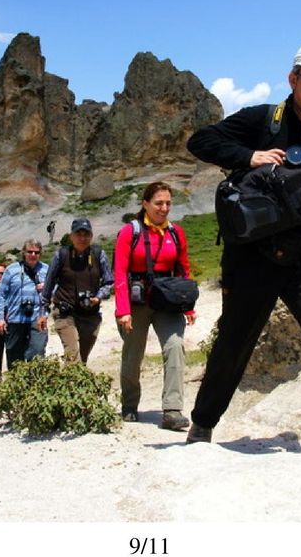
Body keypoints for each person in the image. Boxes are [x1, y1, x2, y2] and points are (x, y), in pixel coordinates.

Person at [185, 42, 301, 464]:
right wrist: (249, 156)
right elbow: (201, 142)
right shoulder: (261, 120)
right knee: (235, 340)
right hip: (253, 255)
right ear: (294, 79)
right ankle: (203, 423)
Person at [113, 180, 195, 431]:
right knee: (133, 354)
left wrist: (188, 306)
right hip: (136, 303)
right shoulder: (130, 231)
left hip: (167, 302)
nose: (164, 208)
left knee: (175, 346)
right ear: (145, 204)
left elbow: (183, 269)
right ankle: (129, 404)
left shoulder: (175, 232)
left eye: (168, 203)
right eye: (159, 203)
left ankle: (172, 410)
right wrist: (123, 310)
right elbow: (119, 273)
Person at [41, 218, 115, 364]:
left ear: (91, 236)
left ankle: (69, 384)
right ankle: (72, 384)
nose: (82, 238)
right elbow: (48, 284)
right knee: (73, 357)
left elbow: (109, 282)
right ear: (71, 236)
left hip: (90, 314)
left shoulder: (98, 254)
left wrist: (98, 297)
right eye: (78, 234)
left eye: (86, 234)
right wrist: (43, 312)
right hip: (65, 312)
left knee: (82, 358)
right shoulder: (61, 255)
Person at [0, 240, 49, 364]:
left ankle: (35, 383)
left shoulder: (46, 269)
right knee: (14, 358)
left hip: (38, 319)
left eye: (36, 252)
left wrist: (47, 287)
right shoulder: (11, 270)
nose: (33, 255)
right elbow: (0, 295)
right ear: (24, 253)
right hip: (15, 319)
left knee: (37, 355)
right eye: (30, 251)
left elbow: (57, 289)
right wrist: (0, 318)